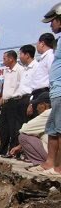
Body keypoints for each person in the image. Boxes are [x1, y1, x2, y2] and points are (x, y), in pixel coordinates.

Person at [40, 3, 61, 175]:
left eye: (53, 21)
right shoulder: (60, 41)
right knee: (53, 129)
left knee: (59, 130)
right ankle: (50, 163)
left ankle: (58, 166)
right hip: (56, 91)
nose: (51, 24)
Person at [0, 50, 27, 157]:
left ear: (11, 59)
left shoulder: (20, 70)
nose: (3, 61)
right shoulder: (6, 71)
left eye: (5, 58)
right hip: (6, 101)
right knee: (4, 128)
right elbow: (6, 87)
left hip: (15, 101)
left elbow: (22, 86)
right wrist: (2, 98)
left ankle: (13, 151)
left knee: (14, 128)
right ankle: (2, 149)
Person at [9, 92, 51, 166]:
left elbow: (24, 129)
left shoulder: (48, 113)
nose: (36, 108)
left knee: (23, 137)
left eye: (37, 104)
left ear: (44, 105)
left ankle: (41, 164)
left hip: (55, 156)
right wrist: (19, 146)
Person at [18, 44, 38, 119]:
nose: (19, 57)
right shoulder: (25, 69)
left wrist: (31, 104)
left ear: (27, 55)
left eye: (20, 54)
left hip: (29, 100)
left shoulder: (36, 67)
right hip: (21, 100)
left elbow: (36, 87)